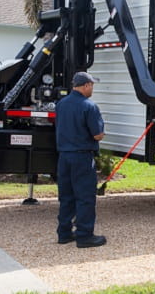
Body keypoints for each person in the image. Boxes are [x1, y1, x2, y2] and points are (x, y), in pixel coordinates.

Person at [55, 71, 107, 248]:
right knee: (85, 197)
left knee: (66, 196)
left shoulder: (61, 104)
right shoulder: (89, 106)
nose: (92, 88)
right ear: (85, 86)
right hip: (82, 157)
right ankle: (84, 236)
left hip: (64, 157)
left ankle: (64, 233)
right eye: (91, 85)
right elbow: (98, 135)